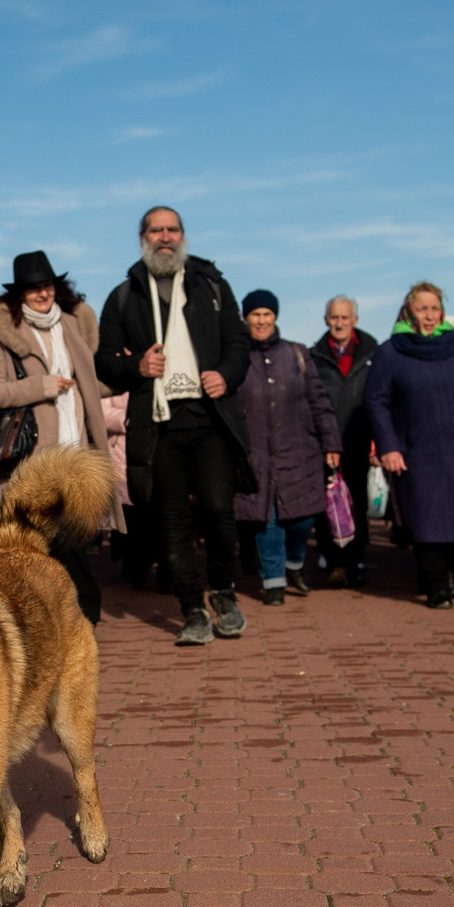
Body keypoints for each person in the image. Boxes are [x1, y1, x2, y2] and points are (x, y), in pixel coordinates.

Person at [95, 206, 257, 646]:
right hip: (158, 425)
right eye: (156, 230)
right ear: (143, 238)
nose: (164, 237)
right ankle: (191, 609)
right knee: (172, 522)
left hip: (210, 419)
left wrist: (226, 373)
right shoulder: (124, 295)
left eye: (172, 229)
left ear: (183, 235)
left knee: (221, 513)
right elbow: (104, 360)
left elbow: (239, 343)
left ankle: (222, 592)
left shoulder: (212, 285)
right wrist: (137, 367)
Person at [0, 250, 119, 620]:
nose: (42, 293)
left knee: (73, 540)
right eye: (33, 288)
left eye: (47, 285)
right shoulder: (1, 332)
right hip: (32, 460)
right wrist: (44, 385)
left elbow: (90, 385)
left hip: (78, 454)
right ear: (19, 294)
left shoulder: (71, 324)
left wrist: (131, 372)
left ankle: (82, 618)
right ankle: (60, 619)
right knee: (32, 546)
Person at [367, 283, 454, 608]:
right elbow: (376, 401)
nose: (428, 315)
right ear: (408, 310)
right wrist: (389, 447)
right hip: (416, 452)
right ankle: (436, 584)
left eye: (434, 308)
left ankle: (451, 571)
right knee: (426, 523)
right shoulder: (390, 352)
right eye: (422, 308)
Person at [231, 291, 339, 605]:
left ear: (275, 317)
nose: (261, 321)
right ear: (246, 318)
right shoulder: (238, 358)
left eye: (266, 314)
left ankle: (294, 562)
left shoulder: (298, 354)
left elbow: (320, 403)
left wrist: (331, 442)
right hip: (257, 454)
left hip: (299, 450)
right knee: (268, 518)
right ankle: (274, 582)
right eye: (255, 315)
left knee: (302, 519)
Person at [313, 297, 380, 587]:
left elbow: (380, 398)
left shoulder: (372, 353)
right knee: (328, 504)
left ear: (355, 319)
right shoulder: (315, 356)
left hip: (360, 439)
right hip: (327, 443)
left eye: (344, 317)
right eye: (334, 317)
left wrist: (378, 439)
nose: (339, 323)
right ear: (326, 319)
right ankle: (333, 561)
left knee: (357, 503)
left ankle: (355, 559)